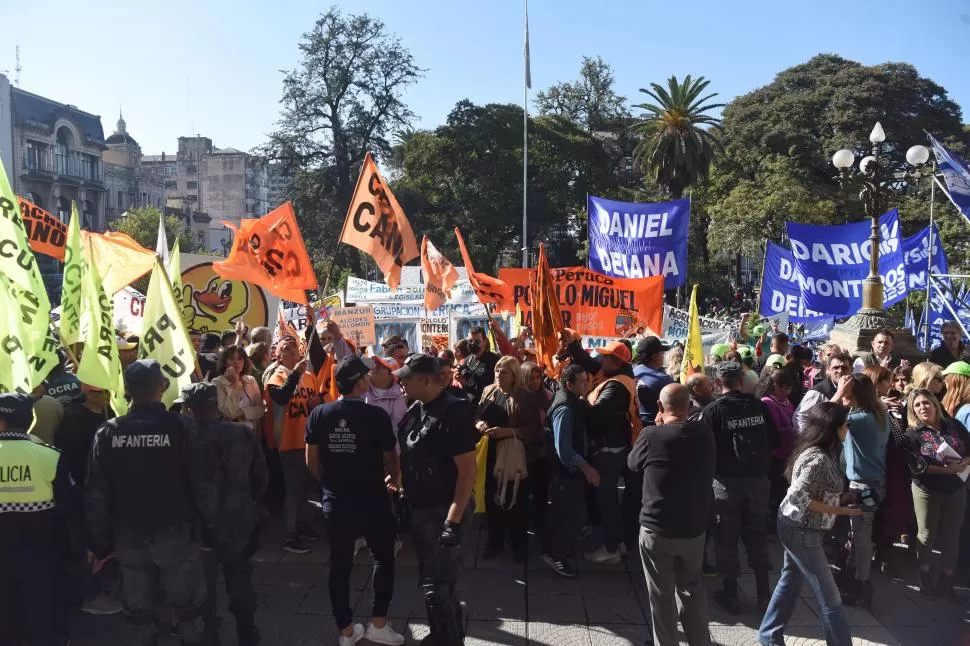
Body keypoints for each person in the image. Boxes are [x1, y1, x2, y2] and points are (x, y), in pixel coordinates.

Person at [85, 359, 218, 646]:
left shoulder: (108, 432)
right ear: (162, 387)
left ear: (128, 392)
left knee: (139, 613)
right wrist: (210, 528)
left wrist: (100, 543)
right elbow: (202, 483)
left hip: (130, 538)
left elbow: (97, 493)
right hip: (177, 535)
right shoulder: (183, 426)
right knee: (188, 610)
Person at [305, 356, 406, 646]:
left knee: (340, 566)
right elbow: (391, 457)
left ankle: (346, 632)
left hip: (337, 501)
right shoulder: (375, 416)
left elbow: (311, 461)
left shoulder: (319, 414)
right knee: (383, 559)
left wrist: (328, 483)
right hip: (373, 498)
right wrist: (394, 479)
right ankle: (378, 624)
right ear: (360, 382)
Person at [758, 402, 862, 646]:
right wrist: (839, 509)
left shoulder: (820, 451)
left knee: (790, 580)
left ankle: (768, 634)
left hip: (797, 526)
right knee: (831, 598)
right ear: (833, 428)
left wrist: (841, 499)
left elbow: (812, 493)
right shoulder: (818, 459)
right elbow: (799, 497)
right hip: (802, 530)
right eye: (846, 424)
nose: (848, 428)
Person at [394, 354, 477, 644]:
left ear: (425, 380)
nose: (401, 382)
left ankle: (448, 640)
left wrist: (452, 520)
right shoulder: (417, 407)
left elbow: (468, 471)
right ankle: (444, 635)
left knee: (438, 586)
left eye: (406, 377)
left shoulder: (453, 411)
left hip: (443, 509)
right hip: (420, 508)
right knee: (434, 580)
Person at [177, 382, 267, 646]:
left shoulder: (183, 440)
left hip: (199, 525)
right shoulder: (241, 434)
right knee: (240, 580)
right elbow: (261, 479)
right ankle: (247, 633)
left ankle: (209, 635)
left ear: (190, 409)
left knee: (202, 588)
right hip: (238, 521)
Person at [628, 384, 715, 646]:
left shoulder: (651, 435)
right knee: (693, 590)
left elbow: (632, 464)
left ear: (659, 407)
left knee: (661, 595)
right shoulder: (705, 433)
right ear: (688, 407)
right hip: (694, 528)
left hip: (658, 528)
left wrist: (656, 425)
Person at [0, 392, 78, 646]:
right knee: (41, 614)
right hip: (41, 551)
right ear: (30, 420)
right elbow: (70, 507)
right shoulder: (50, 456)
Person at [699, 361, 776, 613]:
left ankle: (731, 594)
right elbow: (774, 440)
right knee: (757, 534)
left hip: (725, 484)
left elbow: (706, 450)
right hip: (757, 482)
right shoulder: (758, 406)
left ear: (718, 382)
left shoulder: (712, 411)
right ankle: (764, 593)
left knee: (725, 538)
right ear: (741, 381)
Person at [474, 356, 541, 562]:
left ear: (514, 375)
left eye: (504, 372)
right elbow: (476, 416)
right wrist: (480, 425)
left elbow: (534, 430)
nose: (498, 375)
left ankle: (519, 547)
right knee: (491, 499)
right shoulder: (489, 391)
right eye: (496, 371)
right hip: (490, 454)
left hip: (513, 455)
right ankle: (494, 543)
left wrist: (508, 432)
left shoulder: (525, 396)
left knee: (515, 501)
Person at [904, 388, 970, 597]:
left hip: (956, 487)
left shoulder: (954, 426)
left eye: (926, 403)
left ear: (935, 404)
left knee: (952, 536)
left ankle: (946, 580)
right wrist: (945, 470)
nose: (923, 407)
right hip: (927, 490)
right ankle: (925, 578)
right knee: (926, 534)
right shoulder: (912, 433)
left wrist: (965, 462)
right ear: (913, 411)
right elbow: (915, 465)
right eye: (917, 405)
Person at [582, 341, 639, 564]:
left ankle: (611, 548)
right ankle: (619, 542)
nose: (600, 361)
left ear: (616, 362)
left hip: (609, 451)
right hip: (617, 446)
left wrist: (580, 398)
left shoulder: (615, 386)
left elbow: (596, 415)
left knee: (607, 500)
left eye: (605, 358)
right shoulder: (620, 379)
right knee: (610, 499)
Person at [264, 336, 321, 554]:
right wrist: (295, 373)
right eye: (286, 349)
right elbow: (281, 397)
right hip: (288, 441)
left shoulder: (309, 376)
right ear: (278, 356)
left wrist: (318, 402)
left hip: (308, 440)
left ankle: (300, 524)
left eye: (294, 347)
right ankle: (289, 535)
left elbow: (314, 402)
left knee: (306, 488)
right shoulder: (277, 376)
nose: (293, 350)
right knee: (294, 489)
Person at [837, 373, 889, 607]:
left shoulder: (859, 419)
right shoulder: (879, 414)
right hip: (874, 483)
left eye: (848, 394)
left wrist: (838, 393)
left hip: (864, 486)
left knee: (862, 536)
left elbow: (825, 417)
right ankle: (853, 575)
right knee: (858, 534)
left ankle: (862, 583)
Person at [543, 363, 595, 578]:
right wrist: (585, 467)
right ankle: (557, 555)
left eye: (586, 379)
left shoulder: (572, 400)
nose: (587, 384)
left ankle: (551, 549)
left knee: (562, 513)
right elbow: (563, 448)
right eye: (582, 382)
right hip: (565, 473)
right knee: (576, 515)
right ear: (568, 384)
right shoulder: (564, 407)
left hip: (568, 473)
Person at [755, 368, 796, 536]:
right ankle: (771, 530)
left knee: (783, 494)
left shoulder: (786, 402)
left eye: (789, 387)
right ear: (774, 386)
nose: (787, 390)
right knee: (774, 495)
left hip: (788, 456)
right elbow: (775, 430)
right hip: (775, 458)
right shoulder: (768, 403)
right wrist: (796, 429)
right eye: (783, 387)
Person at [520, 360, 552, 534]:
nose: (535, 382)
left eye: (538, 377)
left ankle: (539, 524)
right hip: (522, 451)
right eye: (531, 378)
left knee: (540, 492)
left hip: (541, 451)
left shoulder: (547, 396)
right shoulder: (517, 397)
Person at [794, 352, 853, 432]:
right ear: (828, 370)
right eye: (836, 368)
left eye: (844, 367)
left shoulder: (855, 387)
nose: (840, 371)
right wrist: (813, 438)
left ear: (851, 370)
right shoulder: (818, 392)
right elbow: (799, 417)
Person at [214, 345, 266, 428]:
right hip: (230, 433)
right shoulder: (217, 382)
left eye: (240, 358)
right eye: (231, 359)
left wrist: (243, 412)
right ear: (224, 362)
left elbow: (260, 409)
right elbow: (228, 412)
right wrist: (235, 385)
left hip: (251, 432)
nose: (236, 362)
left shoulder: (250, 380)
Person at [633, 336, 675, 426]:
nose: (663, 357)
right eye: (662, 354)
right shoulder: (663, 379)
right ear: (654, 356)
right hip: (654, 425)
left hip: (633, 425)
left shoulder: (633, 371)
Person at [458, 326, 501, 404]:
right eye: (470, 341)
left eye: (477, 342)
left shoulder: (494, 360)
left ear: (484, 341)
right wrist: (461, 382)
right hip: (469, 404)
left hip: (488, 404)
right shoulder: (467, 360)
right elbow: (467, 386)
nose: (472, 344)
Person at [365, 356, 408, 431]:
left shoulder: (397, 397)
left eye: (381, 366)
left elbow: (396, 428)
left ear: (391, 376)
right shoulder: (362, 387)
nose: (375, 367)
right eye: (375, 364)